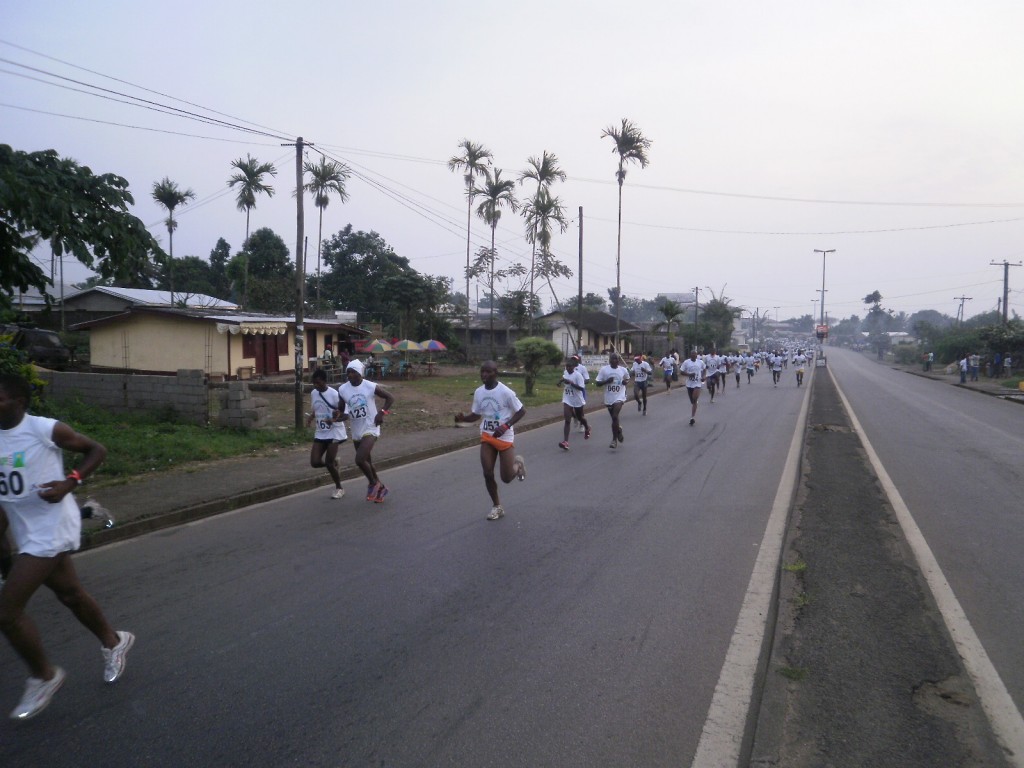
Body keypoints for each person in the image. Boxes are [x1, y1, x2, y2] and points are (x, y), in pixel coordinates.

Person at [0, 373, 134, 721]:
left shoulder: (45, 429)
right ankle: (114, 641)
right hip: (24, 529)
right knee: (70, 594)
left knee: (7, 611)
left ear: (19, 402)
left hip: (51, 527)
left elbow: (96, 450)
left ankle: (43, 676)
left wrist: (68, 483)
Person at [454, 361, 527, 521]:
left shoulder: (506, 392)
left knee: (506, 478)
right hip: (487, 436)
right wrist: (462, 418)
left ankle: (518, 465)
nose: (484, 375)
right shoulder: (479, 392)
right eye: (482, 372)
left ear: (496, 373)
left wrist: (506, 425)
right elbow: (476, 415)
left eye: (488, 372)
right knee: (487, 473)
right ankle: (497, 506)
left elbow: (521, 411)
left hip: (504, 437)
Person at [337, 360, 395, 503]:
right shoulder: (343, 389)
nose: (349, 375)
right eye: (348, 372)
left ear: (359, 374)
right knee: (367, 462)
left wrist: (381, 413)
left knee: (359, 459)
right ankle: (381, 488)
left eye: (353, 372)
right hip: (356, 429)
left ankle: (372, 484)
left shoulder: (369, 386)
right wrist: (337, 416)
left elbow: (390, 398)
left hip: (371, 426)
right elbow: (343, 410)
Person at [305, 368, 347, 499]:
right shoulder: (314, 393)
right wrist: (311, 417)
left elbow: (344, 415)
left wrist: (333, 419)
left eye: (319, 383)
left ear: (324, 381)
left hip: (334, 431)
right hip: (321, 432)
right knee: (315, 462)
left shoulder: (334, 394)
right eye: (314, 383)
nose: (316, 386)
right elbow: (317, 408)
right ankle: (334, 464)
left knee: (328, 462)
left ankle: (339, 488)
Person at [595, 353, 630, 448]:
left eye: (617, 359)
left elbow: (627, 379)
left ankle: (614, 440)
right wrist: (606, 381)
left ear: (618, 361)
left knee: (615, 416)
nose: (615, 361)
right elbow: (597, 383)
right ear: (610, 360)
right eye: (613, 359)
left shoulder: (623, 370)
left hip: (620, 396)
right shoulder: (604, 370)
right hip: (609, 397)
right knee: (614, 419)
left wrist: (625, 382)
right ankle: (618, 430)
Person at [558, 357, 590, 450]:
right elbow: (564, 378)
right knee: (567, 420)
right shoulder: (565, 373)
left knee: (580, 417)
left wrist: (571, 383)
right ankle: (565, 442)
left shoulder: (578, 375)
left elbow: (581, 388)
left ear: (574, 367)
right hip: (567, 398)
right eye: (566, 366)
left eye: (569, 366)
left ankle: (587, 427)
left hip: (577, 399)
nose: (567, 368)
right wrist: (560, 382)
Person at [680, 348, 706, 426]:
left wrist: (704, 376)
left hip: (697, 383)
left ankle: (692, 417)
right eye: (692, 354)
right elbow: (681, 372)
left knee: (694, 400)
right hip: (689, 384)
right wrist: (689, 374)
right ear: (690, 355)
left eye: (695, 354)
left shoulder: (700, 362)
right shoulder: (686, 362)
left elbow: (704, 369)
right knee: (692, 401)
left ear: (696, 355)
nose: (694, 355)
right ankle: (695, 402)